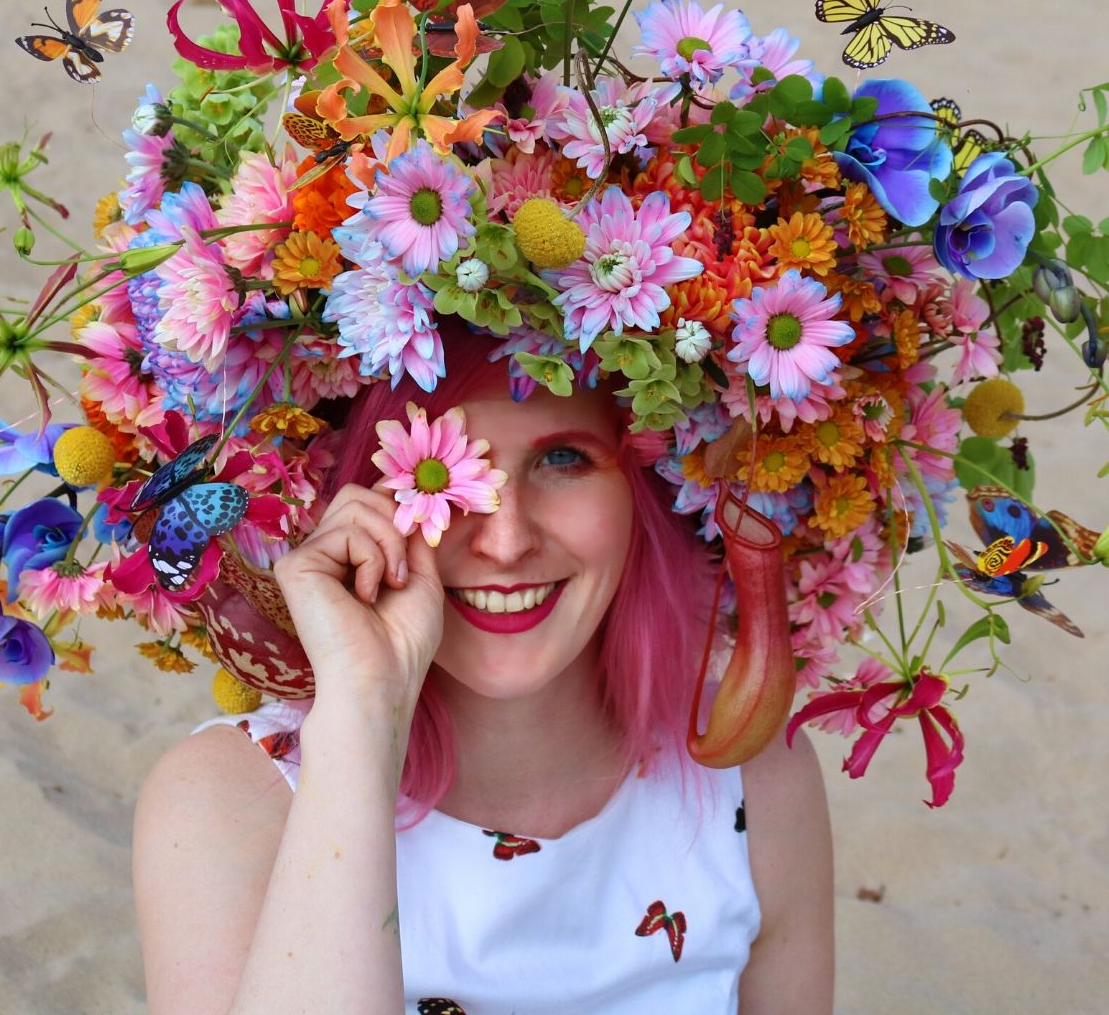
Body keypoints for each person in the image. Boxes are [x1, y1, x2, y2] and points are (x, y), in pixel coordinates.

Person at [133, 323, 834, 1014]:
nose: (505, 541)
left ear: (644, 497)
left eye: (562, 459)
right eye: (434, 472)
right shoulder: (229, 802)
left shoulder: (751, 765)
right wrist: (361, 715)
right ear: (352, 501)